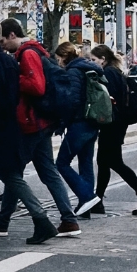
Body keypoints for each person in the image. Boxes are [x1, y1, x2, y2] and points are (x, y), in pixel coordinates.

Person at [0, 19, 59, 244]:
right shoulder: (8, 61)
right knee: (10, 174)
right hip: (10, 126)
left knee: (5, 175)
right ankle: (36, 219)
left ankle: (40, 219)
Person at [0, 19, 80, 233]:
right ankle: (68, 219)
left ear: (11, 35)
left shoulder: (27, 54)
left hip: (32, 122)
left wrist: (14, 79)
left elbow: (36, 86)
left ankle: (3, 221)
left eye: (3, 41)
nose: (2, 46)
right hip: (42, 121)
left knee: (13, 171)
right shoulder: (37, 51)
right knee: (47, 171)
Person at [90, 45, 137, 215]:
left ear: (103, 59)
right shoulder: (114, 72)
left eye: (94, 60)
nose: (92, 63)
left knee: (113, 161)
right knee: (104, 162)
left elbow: (108, 99)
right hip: (116, 122)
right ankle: (98, 201)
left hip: (113, 123)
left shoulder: (109, 73)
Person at [53, 42, 104, 218]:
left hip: (79, 122)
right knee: (86, 163)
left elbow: (72, 100)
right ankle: (85, 206)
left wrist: (62, 122)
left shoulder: (73, 71)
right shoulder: (89, 68)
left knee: (61, 163)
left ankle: (88, 196)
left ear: (65, 57)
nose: (58, 61)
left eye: (59, 58)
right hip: (92, 121)